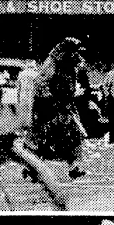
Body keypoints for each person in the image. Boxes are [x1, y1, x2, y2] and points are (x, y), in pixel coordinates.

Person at [29, 37, 89, 179]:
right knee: (46, 138)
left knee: (73, 136)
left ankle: (74, 166)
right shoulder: (53, 63)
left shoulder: (68, 64)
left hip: (65, 105)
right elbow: (39, 83)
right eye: (75, 51)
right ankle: (33, 167)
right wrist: (50, 100)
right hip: (52, 107)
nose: (78, 55)